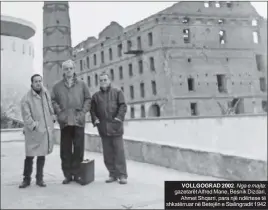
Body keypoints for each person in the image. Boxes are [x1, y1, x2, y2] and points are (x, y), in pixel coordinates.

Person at [51, 59, 91, 184]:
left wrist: (83, 113)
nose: (68, 71)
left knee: (79, 148)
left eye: (70, 68)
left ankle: (77, 173)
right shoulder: (57, 86)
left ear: (74, 69)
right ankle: (67, 174)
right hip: (65, 121)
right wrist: (60, 113)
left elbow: (88, 99)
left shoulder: (82, 84)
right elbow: (53, 101)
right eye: (66, 68)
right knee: (65, 149)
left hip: (78, 120)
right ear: (63, 70)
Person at [90, 71, 128, 184]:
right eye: (101, 80)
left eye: (105, 80)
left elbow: (123, 106)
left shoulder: (117, 92)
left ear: (109, 80)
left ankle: (122, 175)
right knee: (107, 153)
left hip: (116, 127)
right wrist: (95, 120)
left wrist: (118, 119)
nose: (103, 82)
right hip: (103, 128)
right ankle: (112, 174)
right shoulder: (96, 96)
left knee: (119, 152)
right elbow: (92, 110)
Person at [19, 74, 56, 188]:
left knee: (42, 155)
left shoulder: (45, 93)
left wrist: (52, 117)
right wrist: (34, 126)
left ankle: (40, 179)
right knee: (29, 156)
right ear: (32, 83)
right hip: (33, 133)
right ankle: (26, 179)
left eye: (40, 81)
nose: (39, 83)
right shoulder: (26, 98)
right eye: (36, 81)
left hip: (45, 130)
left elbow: (50, 107)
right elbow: (26, 116)